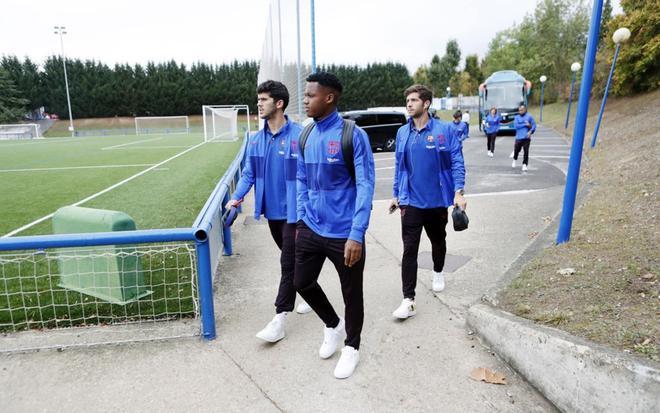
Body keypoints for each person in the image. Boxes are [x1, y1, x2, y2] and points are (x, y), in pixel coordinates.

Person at [294, 72, 375, 379]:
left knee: (352, 294)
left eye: (310, 96)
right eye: (304, 95)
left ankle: (352, 347)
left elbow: (366, 185)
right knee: (301, 282)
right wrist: (303, 217)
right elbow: (302, 179)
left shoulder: (352, 135)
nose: (305, 100)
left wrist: (357, 233)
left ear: (329, 98)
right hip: (312, 228)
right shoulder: (306, 135)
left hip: (345, 234)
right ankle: (333, 325)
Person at [225, 80, 311, 344]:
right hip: (272, 214)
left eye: (263, 99)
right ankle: (308, 291)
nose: (259, 104)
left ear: (279, 103)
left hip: (296, 214)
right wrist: (236, 197)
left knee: (287, 264)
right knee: (295, 261)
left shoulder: (300, 135)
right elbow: (249, 173)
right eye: (258, 99)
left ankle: (279, 318)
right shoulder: (256, 140)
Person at [389, 84, 466, 320]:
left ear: (426, 103)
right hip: (410, 201)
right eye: (408, 101)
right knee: (409, 249)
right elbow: (399, 167)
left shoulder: (444, 130)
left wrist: (459, 191)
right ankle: (408, 300)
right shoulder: (403, 133)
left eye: (413, 100)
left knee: (438, 242)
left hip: (436, 201)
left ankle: (438, 271)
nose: (409, 104)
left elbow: (456, 161)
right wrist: (396, 194)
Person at [512, 103, 536, 172]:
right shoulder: (516, 117)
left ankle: (524, 165)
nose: (520, 111)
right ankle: (514, 159)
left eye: (522, 110)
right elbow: (516, 126)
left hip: (526, 137)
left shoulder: (529, 116)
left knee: (526, 151)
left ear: (525, 110)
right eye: (519, 110)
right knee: (516, 150)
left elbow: (534, 125)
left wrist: (530, 131)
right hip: (518, 137)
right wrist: (525, 124)